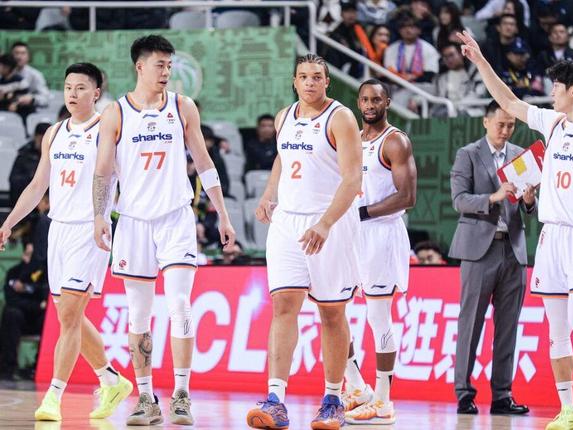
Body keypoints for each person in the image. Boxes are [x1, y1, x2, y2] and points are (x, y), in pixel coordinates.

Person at [458, 30, 573, 430]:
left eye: (557, 87)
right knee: (557, 331)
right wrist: (480, 60)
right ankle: (568, 409)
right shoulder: (554, 122)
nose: (551, 92)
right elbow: (509, 100)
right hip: (552, 238)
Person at [93, 35, 236, 426]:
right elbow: (103, 172)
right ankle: (145, 398)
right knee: (139, 314)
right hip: (134, 222)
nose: (167, 72)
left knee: (180, 305)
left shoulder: (182, 106)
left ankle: (182, 395)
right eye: (160, 65)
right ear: (140, 66)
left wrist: (223, 214)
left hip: (175, 218)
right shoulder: (116, 113)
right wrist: (99, 216)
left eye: (170, 66)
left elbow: (204, 162)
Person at [0, 62, 133, 421]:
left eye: (81, 88)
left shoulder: (108, 130)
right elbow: (37, 185)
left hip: (90, 230)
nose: (73, 94)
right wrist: (9, 222)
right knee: (68, 316)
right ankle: (111, 380)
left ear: (96, 93)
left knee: (71, 314)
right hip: (57, 229)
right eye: (68, 87)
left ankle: (52, 397)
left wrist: (109, 218)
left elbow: (121, 180)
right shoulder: (54, 132)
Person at [245, 54, 362, 430]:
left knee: (332, 312)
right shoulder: (284, 116)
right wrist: (269, 194)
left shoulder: (341, 118)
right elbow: (283, 158)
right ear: (294, 81)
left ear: (327, 81)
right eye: (303, 76)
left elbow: (353, 179)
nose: (309, 82)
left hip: (329, 223)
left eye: (316, 77)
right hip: (287, 223)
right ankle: (275, 399)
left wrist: (325, 223)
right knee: (283, 307)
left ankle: (333, 399)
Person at [449, 99, 535, 416]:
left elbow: (528, 207)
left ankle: (502, 395)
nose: (505, 130)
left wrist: (529, 200)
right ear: (486, 122)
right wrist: (493, 197)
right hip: (478, 250)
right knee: (470, 323)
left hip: (513, 248)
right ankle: (463, 393)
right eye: (500, 124)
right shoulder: (468, 154)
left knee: (508, 327)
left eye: (511, 125)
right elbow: (459, 200)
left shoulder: (520, 156)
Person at [341, 78, 417, 425]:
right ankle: (357, 386)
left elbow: (407, 197)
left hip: (381, 234)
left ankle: (384, 400)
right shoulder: (353, 140)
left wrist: (361, 213)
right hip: (351, 234)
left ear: (387, 102)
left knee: (378, 317)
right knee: (334, 310)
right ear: (358, 103)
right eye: (365, 100)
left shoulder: (395, 141)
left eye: (376, 99)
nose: (370, 105)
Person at [0, 242, 47, 381]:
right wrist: (37, 305)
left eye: (32, 256)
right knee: (11, 313)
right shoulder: (14, 272)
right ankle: (8, 368)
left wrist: (37, 303)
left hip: (38, 319)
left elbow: (46, 298)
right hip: (20, 319)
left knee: (50, 318)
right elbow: (11, 299)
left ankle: (38, 367)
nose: (28, 259)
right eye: (27, 254)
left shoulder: (44, 273)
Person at [9, 122, 50, 206]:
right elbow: (14, 180)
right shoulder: (24, 154)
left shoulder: (57, 155)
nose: (44, 144)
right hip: (29, 199)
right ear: (36, 137)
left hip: (51, 199)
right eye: (41, 139)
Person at [11, 42, 50, 112]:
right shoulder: (3, 74)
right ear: (11, 56)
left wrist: (32, 99)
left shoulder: (35, 75)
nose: (19, 57)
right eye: (16, 53)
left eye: (23, 53)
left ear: (28, 57)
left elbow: (45, 99)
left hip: (28, 112)